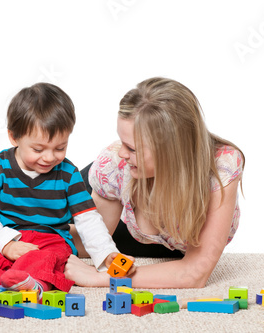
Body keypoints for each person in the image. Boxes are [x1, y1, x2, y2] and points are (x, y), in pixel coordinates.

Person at [0, 83, 125, 297]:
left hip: (49, 242)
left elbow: (88, 219)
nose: (49, 157)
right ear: (14, 137)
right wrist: (6, 245)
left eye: (60, 148)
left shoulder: (68, 173)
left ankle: (31, 282)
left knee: (51, 259)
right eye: (38, 149)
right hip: (8, 238)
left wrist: (107, 254)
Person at [66, 77, 245, 289]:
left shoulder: (222, 166)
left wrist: (102, 279)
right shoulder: (115, 163)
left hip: (168, 242)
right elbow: (92, 242)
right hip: (121, 212)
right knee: (42, 218)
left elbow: (194, 274)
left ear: (171, 152)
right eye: (122, 142)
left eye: (132, 148)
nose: (122, 152)